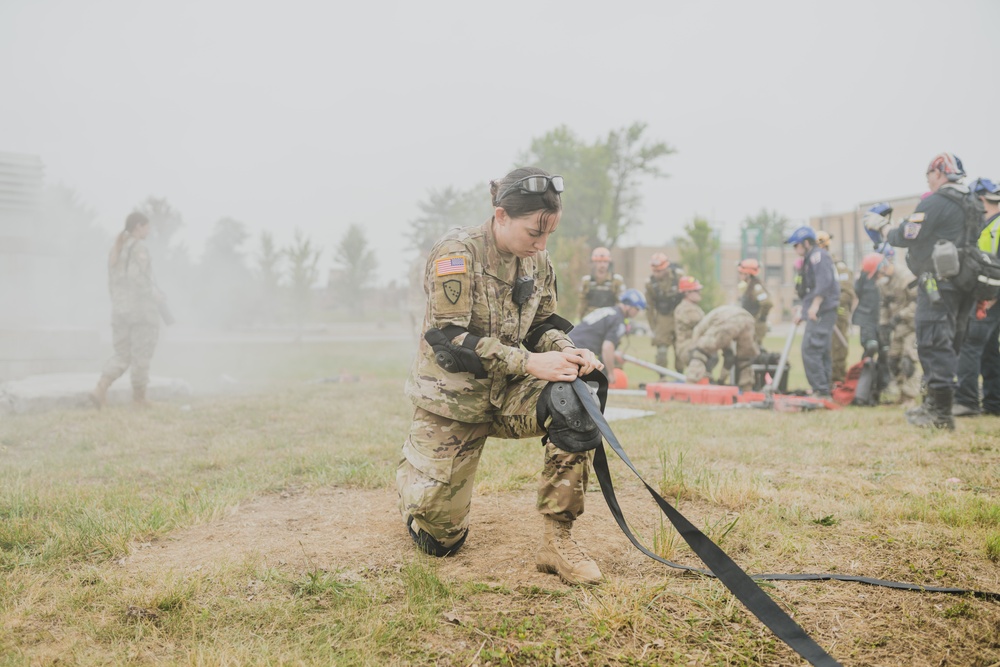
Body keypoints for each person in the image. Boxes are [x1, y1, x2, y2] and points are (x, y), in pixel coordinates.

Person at [397, 167, 606, 586]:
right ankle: (417, 478)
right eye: (534, 233)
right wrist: (529, 363)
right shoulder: (457, 254)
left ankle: (557, 543)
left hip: (509, 393)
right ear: (501, 215)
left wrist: (568, 352)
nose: (542, 244)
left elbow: (540, 322)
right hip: (453, 399)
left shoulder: (537, 261)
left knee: (574, 401)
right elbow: (449, 338)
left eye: (549, 234)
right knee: (441, 541)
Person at [867, 152, 976, 429]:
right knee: (950, 345)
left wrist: (885, 228)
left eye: (929, 175)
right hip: (965, 284)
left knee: (932, 344)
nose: (928, 181)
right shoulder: (971, 202)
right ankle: (932, 405)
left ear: (939, 173)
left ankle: (940, 414)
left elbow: (908, 234)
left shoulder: (938, 202)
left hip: (939, 284)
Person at [90, 212, 164, 408]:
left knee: (121, 354)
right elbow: (137, 278)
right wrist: (153, 295)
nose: (148, 231)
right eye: (147, 227)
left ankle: (100, 388)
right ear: (138, 226)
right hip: (140, 312)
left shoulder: (117, 248)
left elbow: (112, 283)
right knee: (141, 355)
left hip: (120, 310)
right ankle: (139, 399)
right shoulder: (139, 248)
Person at [954, 178, 1000, 417]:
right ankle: (993, 403)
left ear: (980, 199)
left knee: (970, 345)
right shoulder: (991, 225)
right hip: (991, 296)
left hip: (989, 298)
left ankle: (967, 401)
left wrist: (990, 296)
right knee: (990, 349)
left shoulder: (995, 225)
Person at [787, 226, 840, 398]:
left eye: (796, 245)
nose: (795, 249)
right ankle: (823, 389)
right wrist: (803, 310)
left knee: (810, 348)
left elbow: (824, 283)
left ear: (806, 243)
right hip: (820, 310)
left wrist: (815, 305)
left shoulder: (818, 256)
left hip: (823, 310)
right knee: (820, 349)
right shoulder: (810, 259)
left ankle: (821, 389)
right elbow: (811, 289)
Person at [876, 252, 920, 405]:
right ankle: (902, 393)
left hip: (911, 325)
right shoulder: (883, 283)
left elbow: (918, 301)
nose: (877, 278)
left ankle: (910, 397)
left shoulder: (906, 277)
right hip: (898, 328)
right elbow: (884, 304)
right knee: (893, 360)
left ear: (884, 267)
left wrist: (901, 315)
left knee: (908, 360)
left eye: (877, 274)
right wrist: (883, 324)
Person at [683, 305, 759, 391]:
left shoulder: (698, 330)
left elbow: (699, 349)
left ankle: (690, 385)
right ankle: (747, 389)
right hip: (747, 318)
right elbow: (729, 357)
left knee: (699, 353)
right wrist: (721, 380)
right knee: (745, 359)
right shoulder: (713, 323)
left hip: (728, 319)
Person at [569, 289, 646, 373]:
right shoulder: (618, 320)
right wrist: (611, 374)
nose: (637, 312)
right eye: (637, 309)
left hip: (569, 344)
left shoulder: (610, 311)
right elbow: (607, 348)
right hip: (579, 351)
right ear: (628, 305)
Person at [816, 231, 855, 384]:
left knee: (837, 347)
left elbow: (847, 292)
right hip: (821, 315)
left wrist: (832, 305)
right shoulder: (816, 266)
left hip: (838, 313)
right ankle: (824, 379)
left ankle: (838, 379)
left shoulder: (838, 266)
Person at [644, 253, 685, 368]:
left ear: (666, 268)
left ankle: (680, 375)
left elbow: (687, 296)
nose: (657, 273)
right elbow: (649, 307)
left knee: (680, 349)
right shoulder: (650, 284)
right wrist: (653, 327)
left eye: (659, 270)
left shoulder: (679, 277)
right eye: (655, 271)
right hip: (663, 318)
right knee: (661, 350)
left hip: (679, 315)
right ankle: (662, 377)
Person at [579, 246, 625, 320]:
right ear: (594, 262)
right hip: (591, 318)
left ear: (609, 262)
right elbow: (583, 302)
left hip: (609, 318)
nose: (602, 265)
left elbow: (620, 303)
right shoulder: (587, 281)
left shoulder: (616, 280)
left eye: (605, 262)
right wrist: (581, 320)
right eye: (599, 262)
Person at [735, 258, 772, 345]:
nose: (739, 275)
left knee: (753, 350)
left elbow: (767, 303)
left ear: (747, 274)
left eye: (741, 273)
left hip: (756, 327)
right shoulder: (749, 287)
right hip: (750, 326)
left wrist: (760, 318)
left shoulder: (756, 288)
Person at [673, 276, 706, 371]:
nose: (699, 293)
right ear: (687, 293)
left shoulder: (695, 308)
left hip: (695, 345)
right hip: (687, 348)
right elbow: (703, 323)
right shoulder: (684, 309)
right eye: (696, 290)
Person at [853, 253, 884, 355]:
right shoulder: (864, 280)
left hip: (882, 319)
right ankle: (865, 368)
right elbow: (857, 291)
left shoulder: (884, 281)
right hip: (867, 319)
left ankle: (882, 370)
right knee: (871, 346)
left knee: (885, 349)